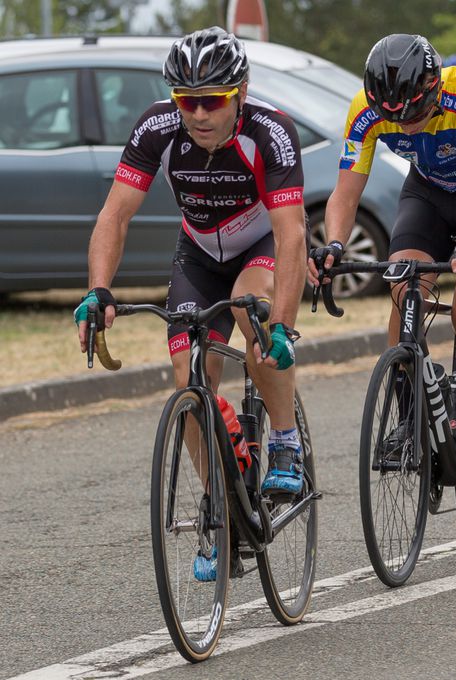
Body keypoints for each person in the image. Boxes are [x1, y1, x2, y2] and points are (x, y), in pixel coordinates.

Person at [73, 27, 307, 578]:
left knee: (252, 310)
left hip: (261, 246)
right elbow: (114, 215)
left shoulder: (271, 132)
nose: (199, 114)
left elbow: (292, 235)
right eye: (187, 101)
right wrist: (98, 289)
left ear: (240, 94)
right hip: (198, 253)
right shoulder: (157, 127)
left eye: (213, 100)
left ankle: (286, 440)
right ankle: (220, 502)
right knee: (188, 382)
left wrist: (285, 327)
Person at [309, 34, 456, 504]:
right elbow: (344, 194)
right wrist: (335, 244)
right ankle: (412, 416)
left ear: (433, 91)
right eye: (393, 118)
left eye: (412, 115)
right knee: (406, 290)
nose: (403, 128)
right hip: (426, 197)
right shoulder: (364, 110)